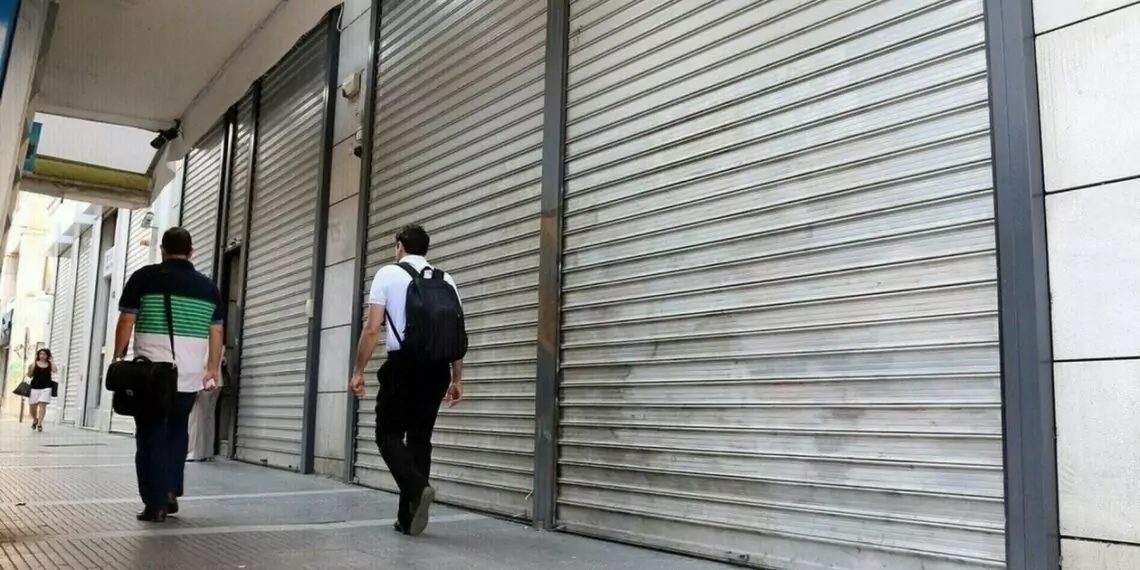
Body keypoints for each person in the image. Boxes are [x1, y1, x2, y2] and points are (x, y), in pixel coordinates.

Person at [351, 224, 465, 537]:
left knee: (387, 433)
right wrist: (457, 378)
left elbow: (372, 329)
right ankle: (407, 518)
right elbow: (456, 333)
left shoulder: (388, 274)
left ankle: (417, 487)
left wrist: (358, 370)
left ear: (399, 246)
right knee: (419, 439)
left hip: (403, 365)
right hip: (438, 369)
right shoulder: (446, 279)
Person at [114, 227, 223, 523]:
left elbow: (126, 319)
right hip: (188, 375)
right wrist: (211, 368)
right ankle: (171, 489)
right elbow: (216, 331)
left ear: (162, 250)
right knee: (177, 431)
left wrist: (118, 355)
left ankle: (155, 503)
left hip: (150, 374)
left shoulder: (144, 278)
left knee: (150, 433)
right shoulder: (208, 287)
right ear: (191, 252)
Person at [25, 348, 56, 431]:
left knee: (42, 406)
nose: (42, 356)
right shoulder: (34, 364)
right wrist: (33, 365)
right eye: (41, 354)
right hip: (34, 387)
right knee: (32, 407)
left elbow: (55, 370)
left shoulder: (49, 364)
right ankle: (35, 419)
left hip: (46, 388)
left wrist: (52, 361)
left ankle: (39, 424)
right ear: (38, 355)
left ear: (47, 356)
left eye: (44, 354)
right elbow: (29, 375)